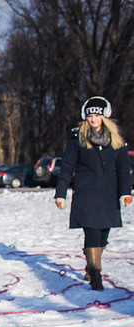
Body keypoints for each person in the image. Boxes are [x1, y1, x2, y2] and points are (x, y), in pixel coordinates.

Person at [55, 96, 132, 291]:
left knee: (103, 235)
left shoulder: (117, 140)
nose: (93, 118)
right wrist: (60, 194)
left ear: (104, 116)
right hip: (86, 193)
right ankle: (96, 275)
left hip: (109, 194)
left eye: (97, 115)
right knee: (91, 232)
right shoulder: (77, 139)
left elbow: (123, 168)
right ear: (85, 117)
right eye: (90, 115)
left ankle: (91, 264)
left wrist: (126, 192)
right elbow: (66, 167)